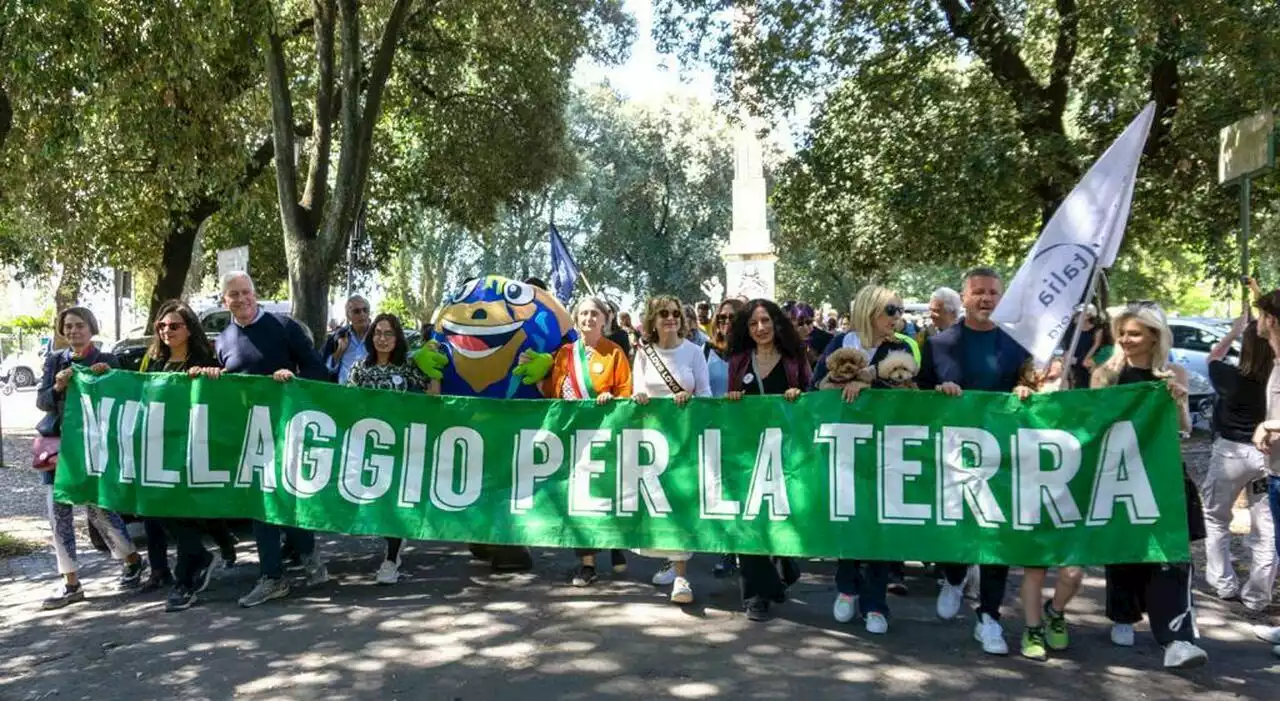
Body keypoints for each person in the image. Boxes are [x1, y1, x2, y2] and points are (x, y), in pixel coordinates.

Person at [917, 267, 1035, 656]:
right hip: (951, 456)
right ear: (963, 299)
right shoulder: (939, 345)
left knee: (995, 541)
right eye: (978, 292)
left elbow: (1033, 388)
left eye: (993, 293)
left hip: (1002, 458)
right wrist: (937, 391)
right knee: (955, 532)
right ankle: (953, 577)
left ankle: (989, 619)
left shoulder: (1016, 345)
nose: (986, 298)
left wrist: (1025, 388)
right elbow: (916, 400)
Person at [198, 271, 330, 608]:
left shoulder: (285, 328)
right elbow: (228, 384)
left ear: (255, 295)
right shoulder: (223, 339)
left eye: (246, 293)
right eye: (233, 295)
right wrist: (214, 376)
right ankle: (273, 577)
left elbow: (318, 372)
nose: (240, 299)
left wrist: (292, 379)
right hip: (248, 436)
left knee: (286, 499)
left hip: (288, 429)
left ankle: (307, 552)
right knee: (262, 503)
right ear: (224, 300)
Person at [1092, 302, 1209, 669]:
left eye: (1135, 334)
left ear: (1154, 337)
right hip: (1120, 473)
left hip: (1164, 474)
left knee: (1170, 556)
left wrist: (1176, 401)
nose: (1126, 340)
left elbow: (1184, 430)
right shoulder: (1105, 376)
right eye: (1122, 333)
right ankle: (1124, 614)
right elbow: (1093, 424)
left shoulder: (1172, 374)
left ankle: (1177, 638)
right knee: (1125, 547)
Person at [819, 285, 916, 635]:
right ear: (870, 310)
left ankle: (876, 603)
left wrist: (868, 385)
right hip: (846, 449)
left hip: (888, 451)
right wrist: (845, 380)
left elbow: (910, 389)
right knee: (848, 519)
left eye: (899, 310)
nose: (897, 317)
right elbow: (820, 383)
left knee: (879, 527)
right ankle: (846, 588)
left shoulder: (901, 348)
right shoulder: (841, 344)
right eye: (891, 310)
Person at [36, 307, 145, 609]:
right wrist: (57, 386)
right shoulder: (55, 361)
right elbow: (42, 401)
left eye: (79, 325)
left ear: (91, 328)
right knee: (57, 513)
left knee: (99, 511)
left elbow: (123, 396)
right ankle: (70, 583)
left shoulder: (106, 360)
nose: (73, 331)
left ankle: (133, 560)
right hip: (56, 447)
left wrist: (105, 379)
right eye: (67, 326)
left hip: (94, 447)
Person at [137, 300, 241, 611]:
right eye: (162, 326)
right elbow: (137, 394)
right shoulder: (154, 362)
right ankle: (205, 555)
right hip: (160, 450)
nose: (167, 331)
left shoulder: (204, 359)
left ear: (189, 329)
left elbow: (225, 397)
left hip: (195, 450)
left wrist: (212, 376)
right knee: (162, 511)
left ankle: (185, 581)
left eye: (175, 326)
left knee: (186, 513)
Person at [724, 299, 810, 621]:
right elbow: (731, 406)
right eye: (753, 323)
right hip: (747, 453)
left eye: (765, 321)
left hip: (786, 452)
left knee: (778, 520)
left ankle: (782, 569)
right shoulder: (738, 361)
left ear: (776, 323)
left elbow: (811, 395)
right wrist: (733, 399)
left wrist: (798, 396)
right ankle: (755, 597)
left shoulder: (793, 358)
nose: (760, 329)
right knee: (748, 520)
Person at [544, 297, 636, 589]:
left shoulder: (614, 353)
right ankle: (588, 564)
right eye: (583, 313)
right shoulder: (564, 354)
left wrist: (611, 401)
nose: (588, 318)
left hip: (604, 437)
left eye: (594, 314)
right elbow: (552, 393)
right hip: (573, 438)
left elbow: (626, 393)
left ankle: (613, 544)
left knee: (605, 495)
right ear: (576, 319)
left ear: (605, 319)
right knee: (579, 499)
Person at [630, 295, 711, 604]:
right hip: (652, 442)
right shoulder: (643, 354)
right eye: (663, 313)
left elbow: (705, 393)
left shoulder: (694, 352)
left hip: (685, 440)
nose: (671, 318)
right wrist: (639, 397)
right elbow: (637, 389)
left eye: (676, 313)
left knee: (681, 503)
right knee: (658, 506)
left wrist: (689, 401)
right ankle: (668, 561)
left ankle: (682, 577)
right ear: (653, 318)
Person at [346, 313, 436, 584]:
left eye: (388, 334)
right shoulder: (359, 368)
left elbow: (432, 397)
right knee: (376, 499)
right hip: (369, 446)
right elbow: (345, 403)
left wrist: (435, 372)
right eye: (377, 333)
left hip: (400, 446)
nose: (382, 339)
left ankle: (391, 558)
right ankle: (393, 544)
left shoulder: (408, 367)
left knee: (392, 500)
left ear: (397, 339)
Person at [1200, 312, 1275, 612]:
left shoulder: (1230, 376)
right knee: (1266, 529)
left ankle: (1223, 583)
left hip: (1231, 453)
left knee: (1216, 517)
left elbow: (1212, 357)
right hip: (1268, 455)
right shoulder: (1276, 379)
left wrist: (1233, 332)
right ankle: (1258, 596)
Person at [1015, 366, 1085, 660]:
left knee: (1073, 571)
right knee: (1035, 570)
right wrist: (1020, 398)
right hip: (1032, 499)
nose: (1054, 385)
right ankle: (1032, 629)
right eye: (1046, 379)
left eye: (1060, 378)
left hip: (1070, 501)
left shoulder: (1083, 408)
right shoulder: (1022, 404)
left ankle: (1055, 611)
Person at [1246, 290, 1280, 657]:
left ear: (1271, 319)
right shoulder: (1275, 359)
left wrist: (1270, 423)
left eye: (1259, 315)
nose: (1256, 322)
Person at [704, 297, 746, 577]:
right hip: (714, 429)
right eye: (722, 318)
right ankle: (726, 549)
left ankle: (748, 550)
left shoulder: (751, 351)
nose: (727, 322)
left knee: (743, 490)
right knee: (721, 490)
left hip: (745, 429)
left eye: (733, 318)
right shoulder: (705, 349)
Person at [321, 295, 371, 384]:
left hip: (371, 392)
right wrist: (339, 352)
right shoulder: (337, 337)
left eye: (365, 310)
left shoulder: (378, 338)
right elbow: (325, 369)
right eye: (357, 311)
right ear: (348, 316)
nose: (362, 314)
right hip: (344, 392)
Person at [790, 302, 832, 367]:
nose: (806, 328)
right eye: (800, 324)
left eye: (809, 322)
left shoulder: (827, 339)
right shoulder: (786, 342)